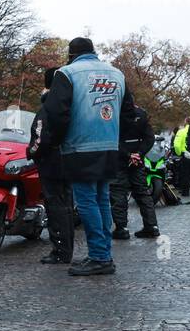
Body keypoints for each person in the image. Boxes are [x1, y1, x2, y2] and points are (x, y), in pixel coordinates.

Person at [38, 37, 137, 277]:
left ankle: (99, 256)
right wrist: (119, 142)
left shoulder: (67, 73)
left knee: (86, 202)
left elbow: (56, 112)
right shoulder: (117, 74)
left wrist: (56, 141)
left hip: (80, 147)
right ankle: (104, 253)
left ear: (71, 55)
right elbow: (128, 114)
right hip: (109, 147)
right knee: (102, 199)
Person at [28, 67, 74, 265]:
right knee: (66, 206)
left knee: (55, 206)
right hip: (68, 161)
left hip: (51, 162)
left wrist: (31, 152)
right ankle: (66, 247)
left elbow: (41, 136)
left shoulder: (47, 107)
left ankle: (60, 250)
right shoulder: (71, 105)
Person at [110, 102, 159, 239]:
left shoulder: (113, 113)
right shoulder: (141, 113)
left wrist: (127, 154)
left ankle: (122, 228)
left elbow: (112, 137)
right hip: (137, 159)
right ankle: (152, 226)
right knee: (142, 192)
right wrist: (139, 153)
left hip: (120, 158)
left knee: (118, 192)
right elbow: (150, 137)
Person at [171, 121, 190, 198]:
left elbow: (176, 145)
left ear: (186, 123)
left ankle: (185, 192)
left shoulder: (181, 131)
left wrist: (179, 153)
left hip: (185, 154)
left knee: (185, 174)